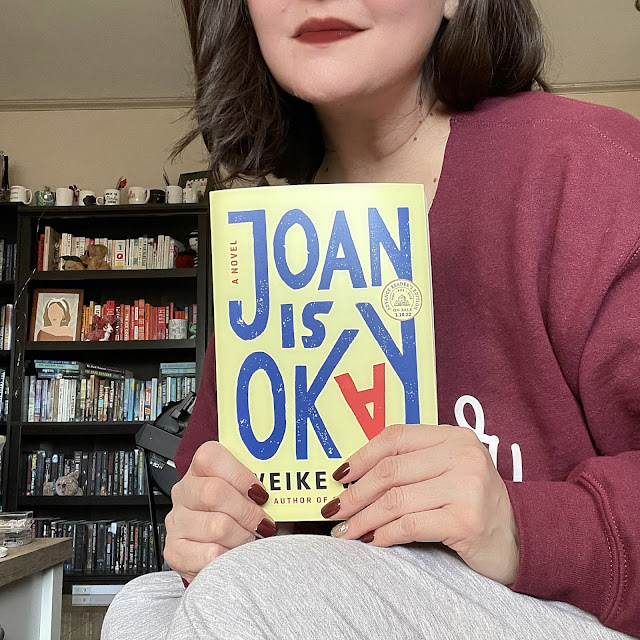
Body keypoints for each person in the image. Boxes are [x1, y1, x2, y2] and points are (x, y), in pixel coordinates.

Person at [102, 0, 640, 638]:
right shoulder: (268, 248)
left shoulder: (592, 167)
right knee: (143, 608)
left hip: (571, 608)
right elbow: (222, 522)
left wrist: (521, 526)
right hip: (330, 596)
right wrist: (210, 528)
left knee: (248, 590)